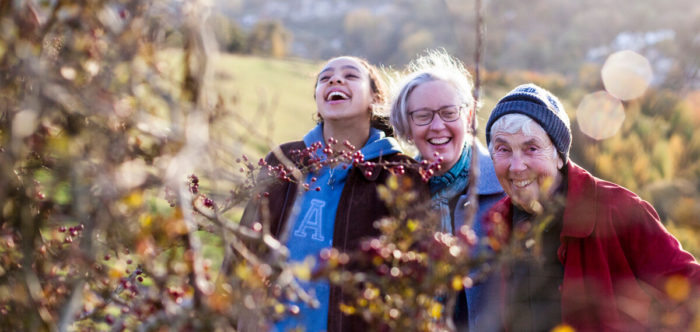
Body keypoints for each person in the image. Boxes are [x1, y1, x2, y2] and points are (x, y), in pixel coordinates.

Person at [483, 83, 700, 331]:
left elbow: (690, 288)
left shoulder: (618, 209)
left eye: (531, 148)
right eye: (503, 150)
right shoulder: (496, 220)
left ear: (558, 155)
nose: (517, 166)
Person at [238, 56, 427, 332]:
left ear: (375, 99)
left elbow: (413, 279)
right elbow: (242, 250)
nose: (335, 80)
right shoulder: (283, 161)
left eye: (350, 76)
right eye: (325, 78)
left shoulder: (401, 175)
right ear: (317, 98)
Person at [389, 49, 505, 331]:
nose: (438, 126)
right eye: (423, 116)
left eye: (449, 112)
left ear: (468, 117)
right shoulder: (396, 199)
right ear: (406, 126)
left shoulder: (507, 185)